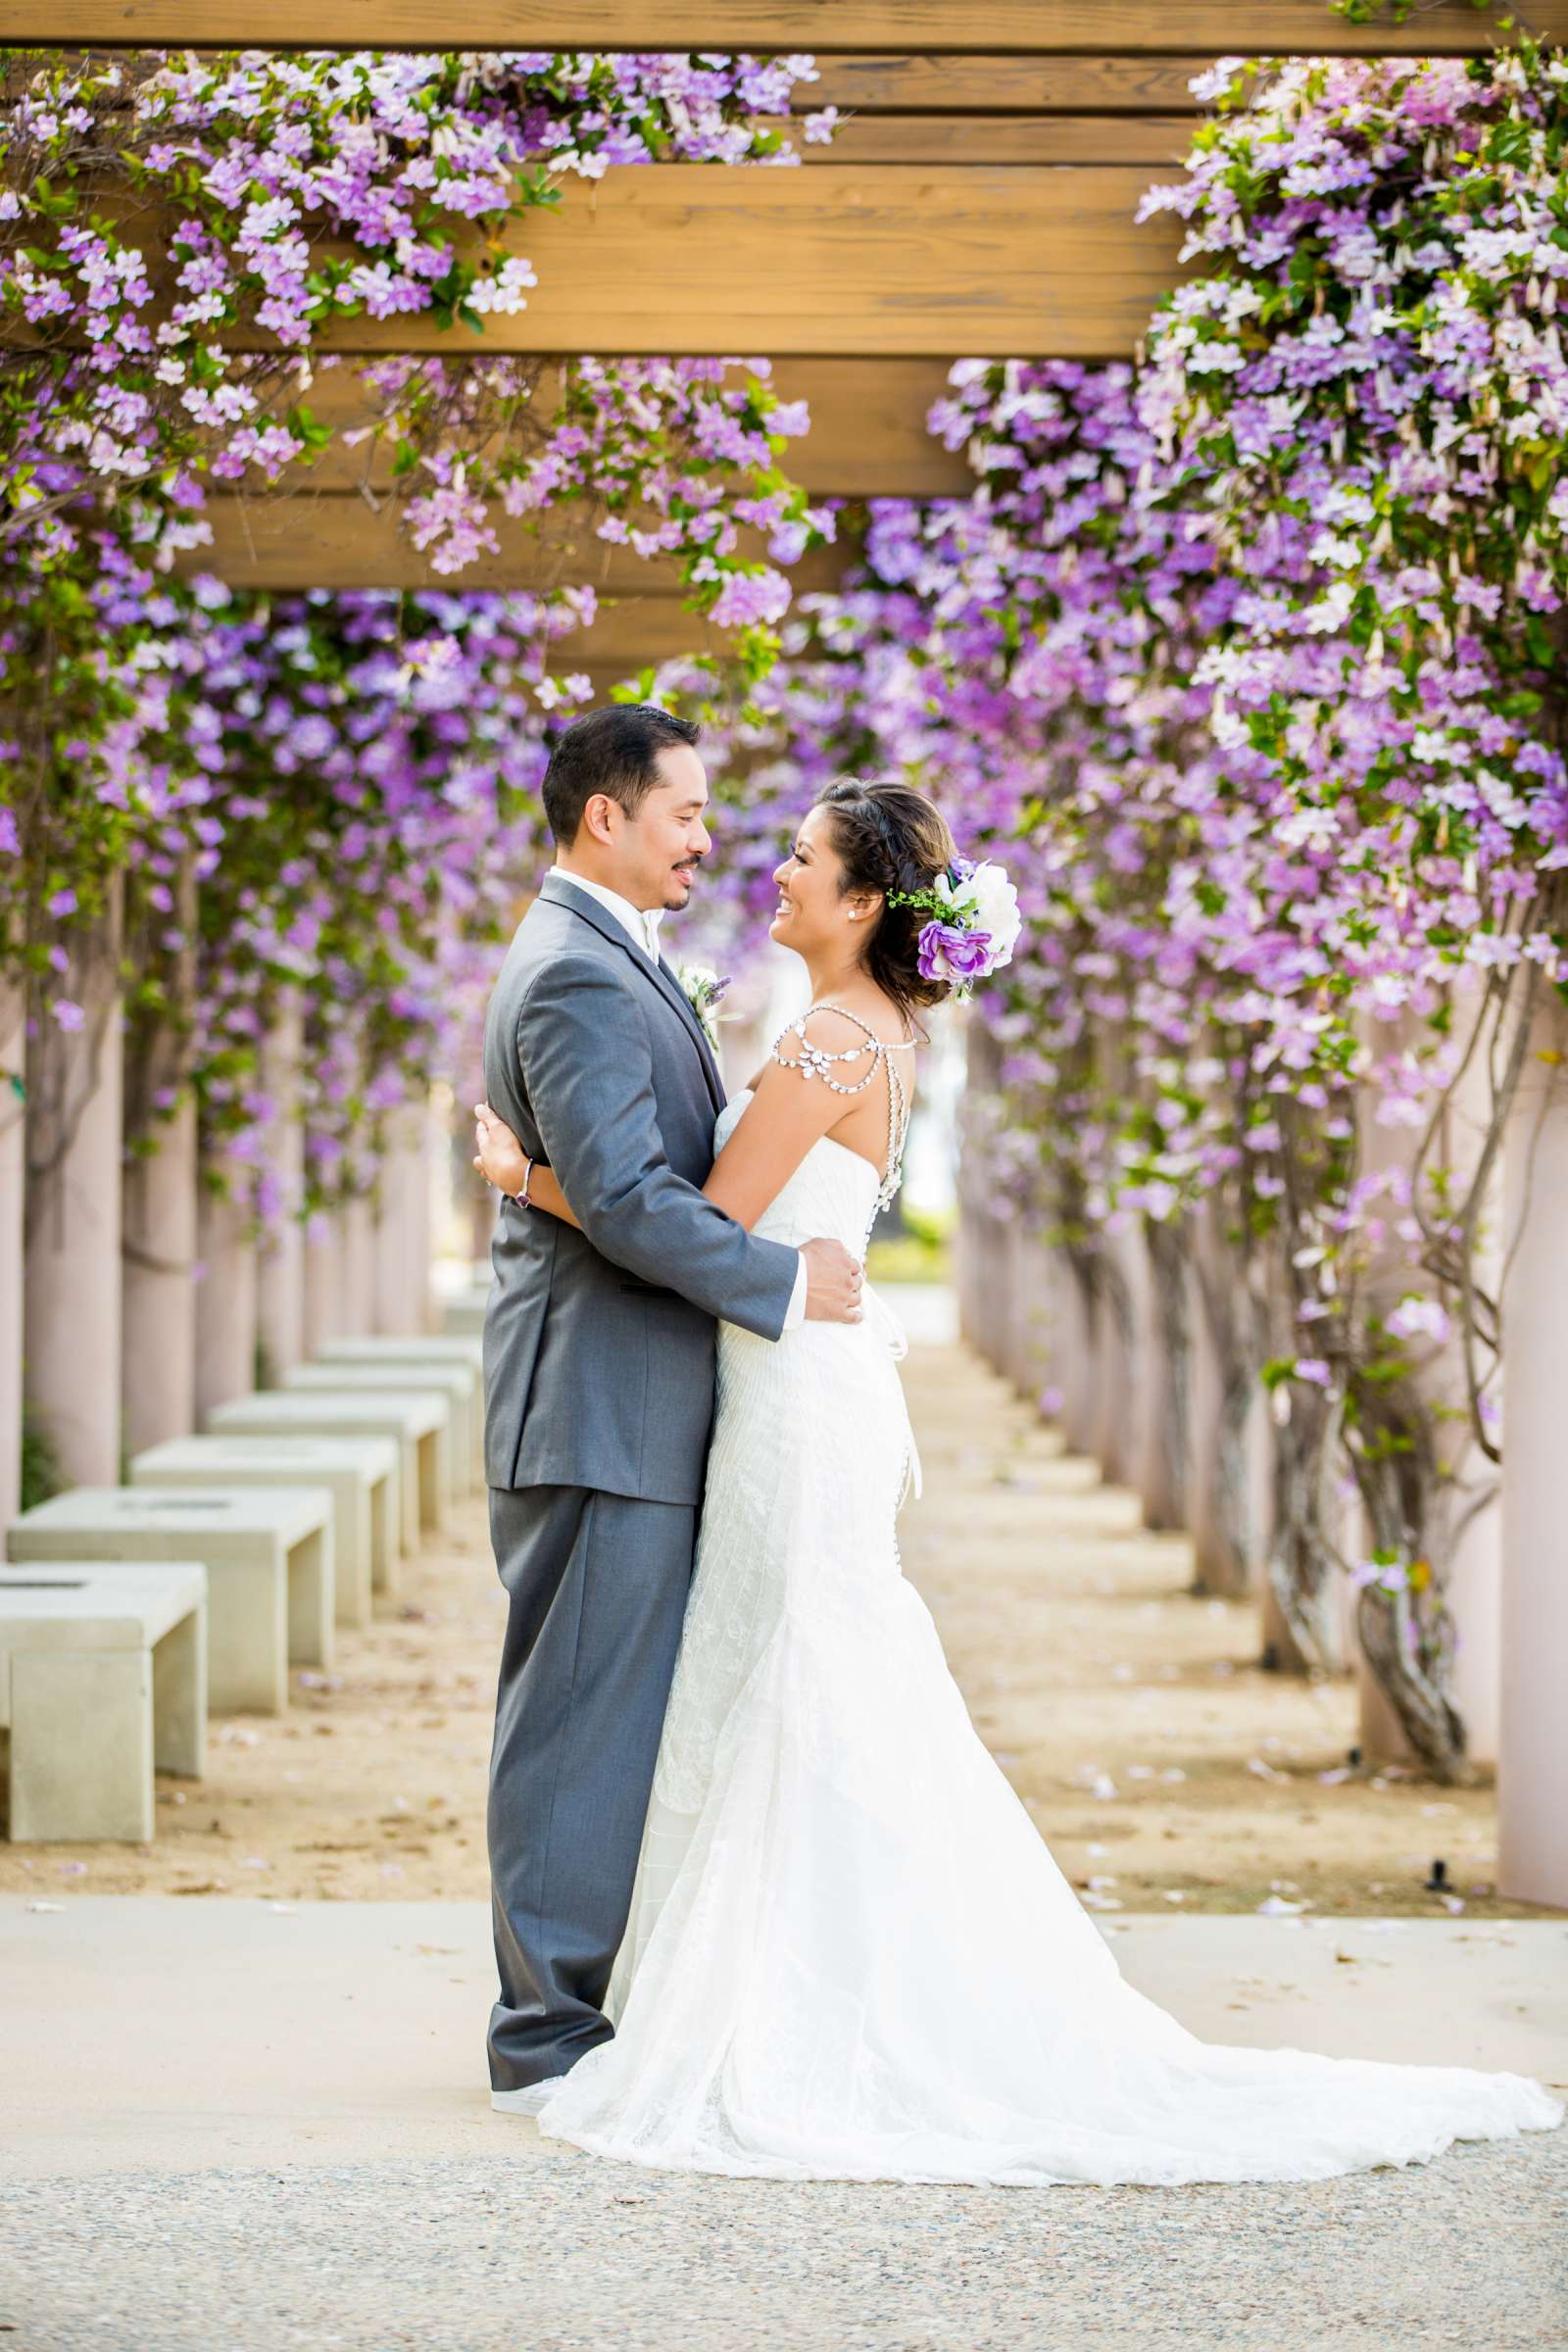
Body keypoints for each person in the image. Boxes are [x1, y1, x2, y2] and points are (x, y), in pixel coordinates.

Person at [473, 766, 1564, 2187]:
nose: (773, 871)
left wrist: (523, 1178)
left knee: (792, 1673)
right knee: (791, 1674)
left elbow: (688, 1215)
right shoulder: (875, 1033)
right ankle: (782, 1979)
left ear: (863, 903)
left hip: (795, 1392)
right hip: (800, 1384)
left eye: (802, 859)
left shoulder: (824, 1047)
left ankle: (783, 2001)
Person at [476, 704, 863, 2115]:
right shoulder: (577, 973)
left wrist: (527, 1181)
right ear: (607, 818)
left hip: (630, 1396)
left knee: (601, 1710)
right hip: (595, 1400)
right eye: (688, 811)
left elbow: (622, 1183)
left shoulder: (605, 955)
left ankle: (573, 2006)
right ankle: (545, 2038)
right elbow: (635, 1203)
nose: (709, 838)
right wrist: (780, 1280)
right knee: (577, 1720)